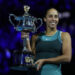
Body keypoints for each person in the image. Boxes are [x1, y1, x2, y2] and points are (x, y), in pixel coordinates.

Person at [21, 8, 72, 75]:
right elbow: (31, 57)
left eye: (56, 16)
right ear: (45, 19)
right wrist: (26, 39)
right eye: (50, 16)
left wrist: (45, 60)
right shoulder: (35, 37)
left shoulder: (64, 36)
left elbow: (67, 58)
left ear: (58, 19)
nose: (53, 19)